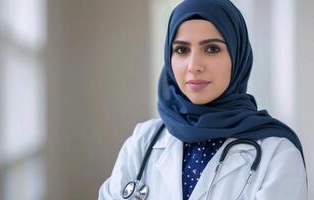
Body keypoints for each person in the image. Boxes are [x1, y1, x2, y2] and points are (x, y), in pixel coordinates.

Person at [98, 0, 307, 199]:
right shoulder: (143, 141)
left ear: (237, 56)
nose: (194, 65)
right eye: (181, 49)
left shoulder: (278, 155)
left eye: (212, 49)